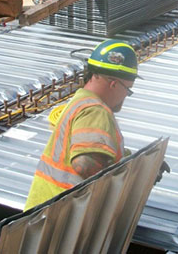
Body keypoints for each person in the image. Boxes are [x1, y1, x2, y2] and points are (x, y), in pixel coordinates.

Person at [24, 39, 139, 211]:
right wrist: (132, 175)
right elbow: (85, 164)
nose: (126, 97)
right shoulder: (96, 110)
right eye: (128, 90)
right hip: (60, 216)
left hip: (46, 215)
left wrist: (138, 161)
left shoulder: (81, 101)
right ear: (114, 84)